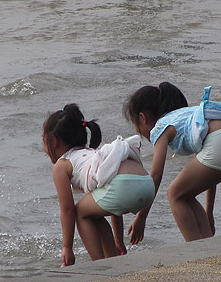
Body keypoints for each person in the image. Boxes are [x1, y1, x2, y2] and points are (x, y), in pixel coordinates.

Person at [124, 83, 221, 243]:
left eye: (138, 129)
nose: (142, 135)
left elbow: (155, 175)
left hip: (220, 143)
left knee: (174, 194)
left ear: (143, 118)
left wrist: (142, 217)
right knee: (185, 195)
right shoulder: (185, 117)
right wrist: (209, 214)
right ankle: (206, 246)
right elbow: (211, 176)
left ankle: (195, 251)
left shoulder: (160, 127)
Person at [42, 104, 155, 266]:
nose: (43, 147)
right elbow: (113, 208)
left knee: (80, 211)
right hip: (147, 184)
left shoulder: (62, 165)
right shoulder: (94, 156)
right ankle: (112, 262)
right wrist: (119, 241)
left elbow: (67, 209)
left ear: (54, 141)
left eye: (43, 140)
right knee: (92, 212)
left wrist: (67, 247)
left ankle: (100, 266)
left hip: (124, 186)